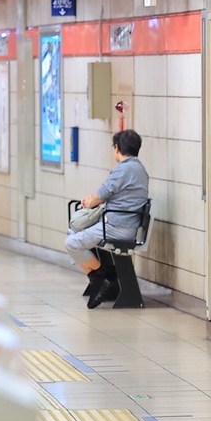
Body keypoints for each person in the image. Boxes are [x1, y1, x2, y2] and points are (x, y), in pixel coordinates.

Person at [64, 129, 149, 309]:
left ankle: (103, 275)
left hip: (116, 226)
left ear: (117, 148)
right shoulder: (139, 168)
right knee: (73, 232)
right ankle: (99, 278)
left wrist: (89, 201)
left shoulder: (123, 169)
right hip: (124, 223)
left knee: (71, 242)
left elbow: (100, 195)